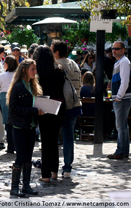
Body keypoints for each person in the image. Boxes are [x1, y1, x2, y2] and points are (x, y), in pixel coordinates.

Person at [7, 59, 44, 197]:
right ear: (24, 70)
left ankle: (26, 185)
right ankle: (14, 187)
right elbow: (14, 108)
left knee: (28, 157)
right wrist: (34, 111)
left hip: (31, 126)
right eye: (32, 69)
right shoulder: (17, 87)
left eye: (35, 69)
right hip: (19, 126)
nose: (35, 72)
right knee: (21, 157)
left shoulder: (33, 86)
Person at [33, 45, 65, 182]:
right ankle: (54, 172)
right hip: (59, 104)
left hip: (43, 105)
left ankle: (45, 174)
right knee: (54, 139)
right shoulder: (59, 69)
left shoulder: (37, 71)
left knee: (46, 140)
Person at [51, 40, 81, 178]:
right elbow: (78, 86)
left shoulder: (56, 66)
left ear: (57, 52)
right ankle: (67, 168)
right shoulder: (74, 64)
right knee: (69, 138)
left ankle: (53, 169)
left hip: (59, 105)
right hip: (74, 105)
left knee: (53, 138)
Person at [108, 41, 131, 159]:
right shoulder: (120, 62)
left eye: (117, 48)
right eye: (113, 48)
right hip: (121, 98)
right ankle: (123, 151)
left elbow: (125, 81)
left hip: (122, 99)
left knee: (120, 126)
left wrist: (119, 97)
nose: (114, 50)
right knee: (122, 126)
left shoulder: (124, 62)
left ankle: (120, 151)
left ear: (123, 49)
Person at [0, 55, 18, 154]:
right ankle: (16, 145)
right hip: (16, 97)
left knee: (8, 123)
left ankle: (10, 146)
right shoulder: (18, 75)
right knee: (15, 122)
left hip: (4, 97)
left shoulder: (3, 75)